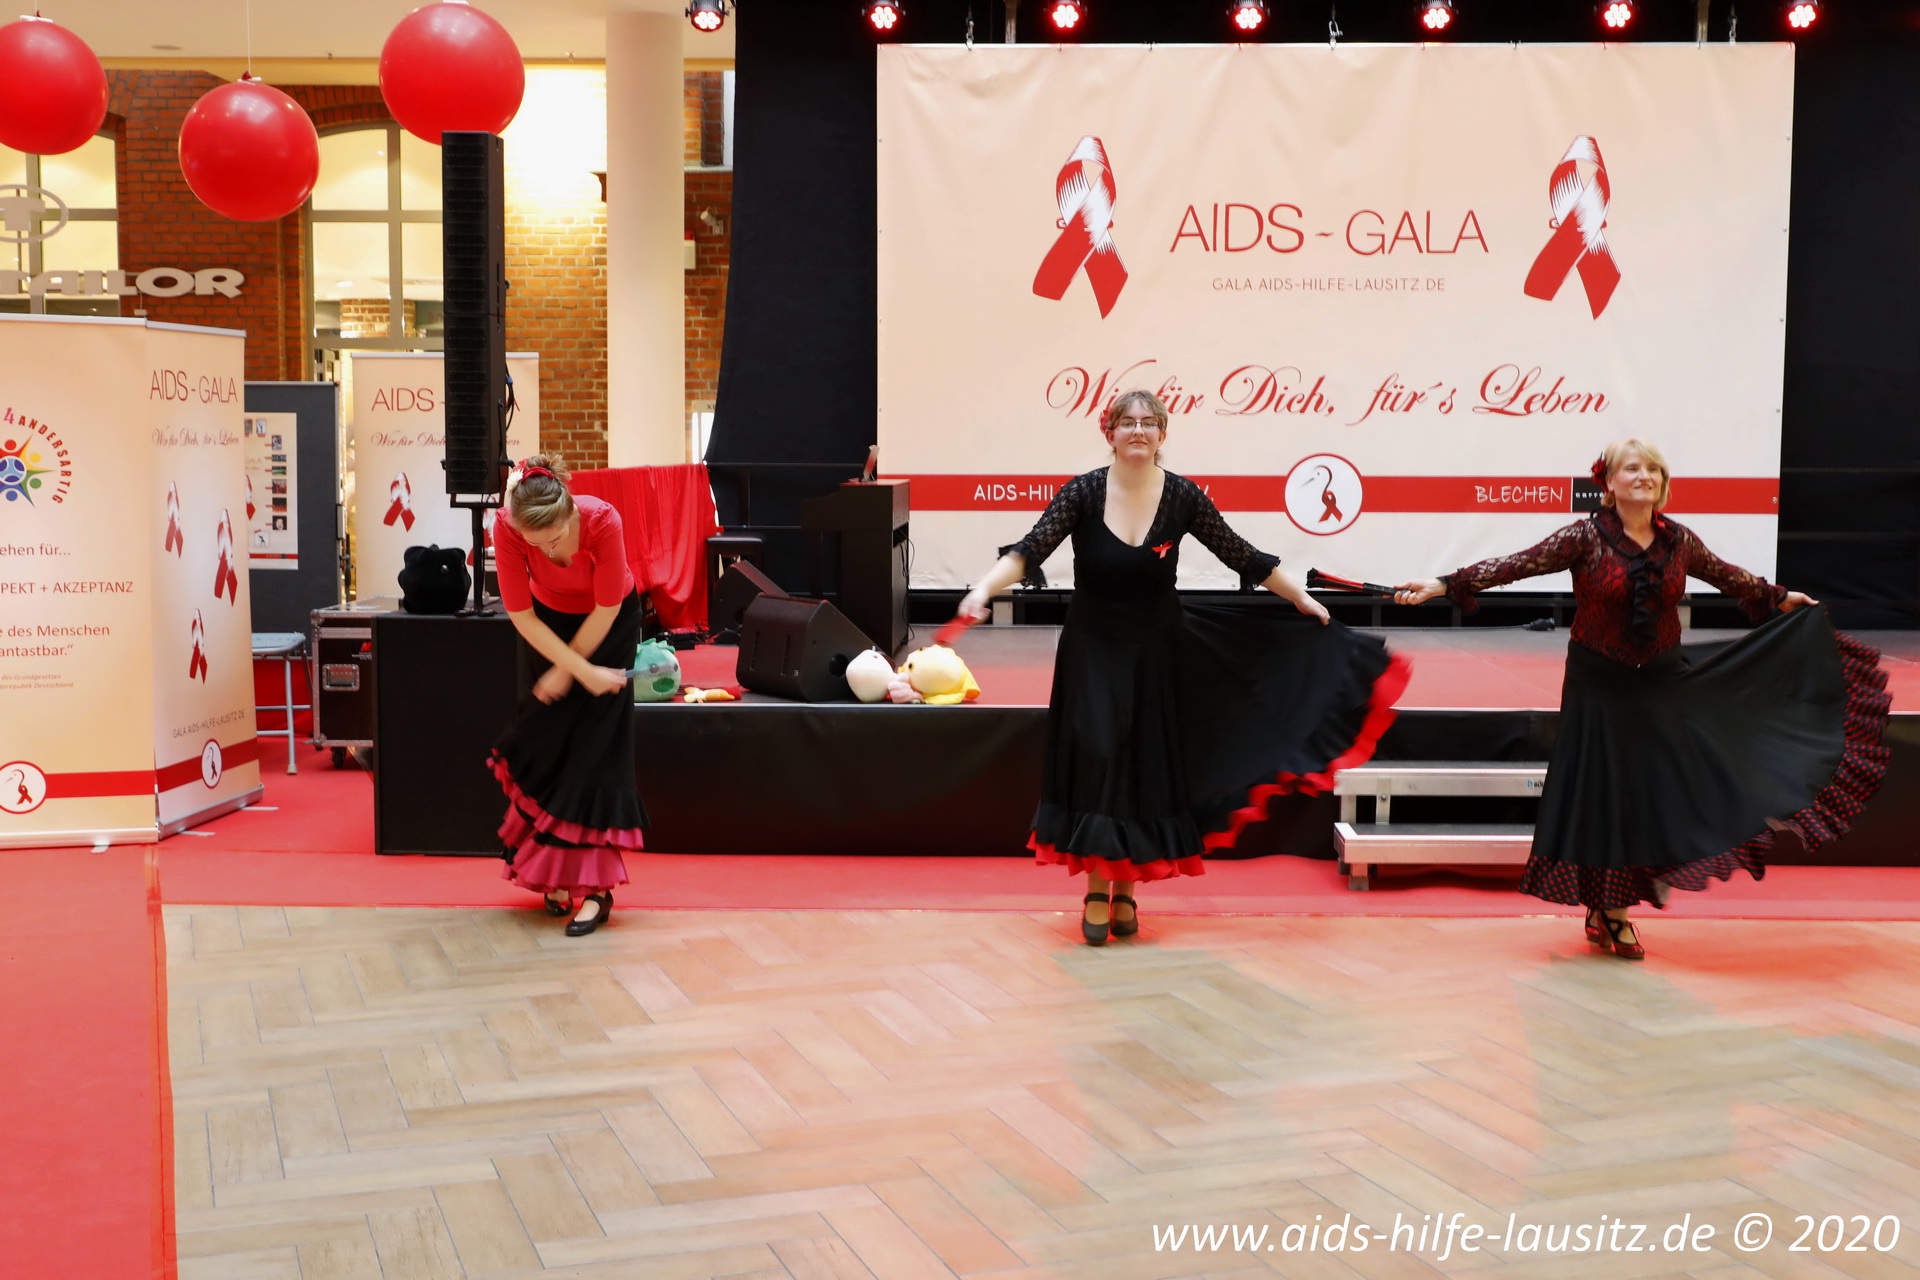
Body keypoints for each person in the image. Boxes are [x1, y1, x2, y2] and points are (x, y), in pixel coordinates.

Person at [1394, 439, 1890, 959]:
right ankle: (1612, 908)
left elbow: (1725, 575)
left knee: (1644, 793)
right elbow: (1517, 565)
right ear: (1609, 483)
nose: (1644, 476)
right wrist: (1443, 584)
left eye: (1654, 469)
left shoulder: (1678, 540)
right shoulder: (1585, 536)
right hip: (1598, 683)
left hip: (1659, 682)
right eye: (1632, 468)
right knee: (1602, 792)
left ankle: (1610, 906)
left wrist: (1779, 596)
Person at [957, 391, 1409, 944]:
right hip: (1092, 649)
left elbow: (1242, 555)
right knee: (1100, 756)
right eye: (1127, 423)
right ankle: (1097, 888)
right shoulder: (1083, 491)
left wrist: (1300, 598)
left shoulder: (1183, 496)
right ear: (1110, 433)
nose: (1138, 431)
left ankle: (1126, 890)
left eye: (1149, 423)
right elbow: (1029, 551)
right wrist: (983, 589)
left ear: (1162, 434)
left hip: (1157, 648)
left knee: (1141, 764)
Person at [488, 455, 644, 937]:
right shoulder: (507, 526)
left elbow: (607, 608)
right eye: (535, 543)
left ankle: (597, 891)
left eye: (554, 539)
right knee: (548, 745)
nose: (547, 550)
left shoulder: (602, 521)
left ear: (571, 511)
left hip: (608, 625)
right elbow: (521, 614)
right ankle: (551, 875)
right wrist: (573, 670)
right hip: (546, 629)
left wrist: (576, 670)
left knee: (596, 752)